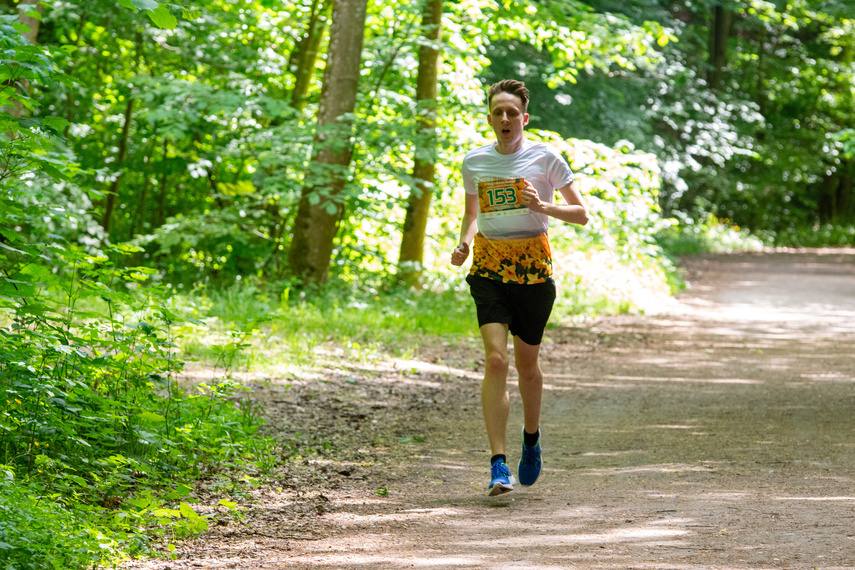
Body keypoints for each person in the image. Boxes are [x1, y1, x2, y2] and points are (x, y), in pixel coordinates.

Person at [451, 79, 589, 496]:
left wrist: (542, 206)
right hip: (489, 267)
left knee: (527, 366)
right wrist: (464, 244)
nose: (506, 119)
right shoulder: (474, 162)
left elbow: (582, 214)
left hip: (533, 269)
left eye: (513, 112)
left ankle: (531, 438)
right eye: (499, 112)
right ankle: (497, 463)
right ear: (490, 118)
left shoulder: (546, 158)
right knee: (496, 361)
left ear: (524, 118)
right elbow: (472, 214)